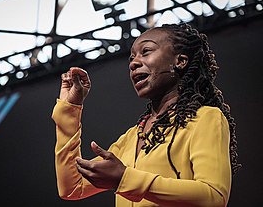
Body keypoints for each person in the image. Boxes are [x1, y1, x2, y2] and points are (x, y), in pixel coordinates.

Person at [51, 23, 241, 207]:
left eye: (146, 51)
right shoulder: (132, 137)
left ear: (180, 61)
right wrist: (70, 108)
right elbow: (72, 187)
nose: (134, 63)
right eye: (131, 58)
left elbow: (214, 196)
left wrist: (126, 178)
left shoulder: (205, 118)